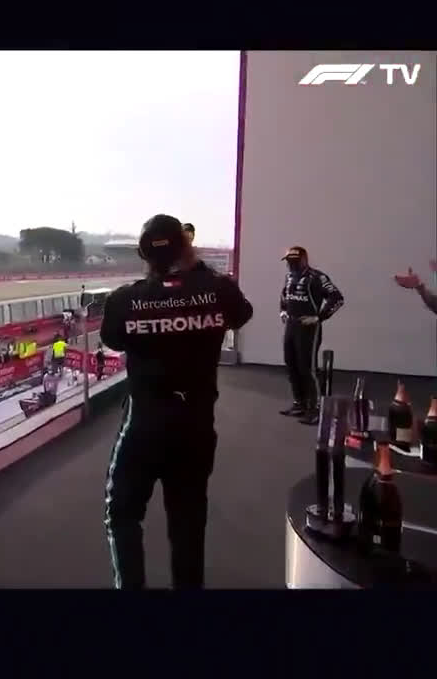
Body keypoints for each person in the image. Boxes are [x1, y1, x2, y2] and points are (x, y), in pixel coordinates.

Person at [100, 214, 253, 589]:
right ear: (187, 246)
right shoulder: (219, 290)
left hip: (144, 424)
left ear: (143, 255)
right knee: (188, 523)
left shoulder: (124, 300)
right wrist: (193, 270)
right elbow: (242, 314)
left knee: (122, 513)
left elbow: (113, 340)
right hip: (196, 423)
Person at [278, 246, 345, 425]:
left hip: (309, 329)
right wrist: (283, 311)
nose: (291, 265)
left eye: (294, 261)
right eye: (289, 261)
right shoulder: (289, 277)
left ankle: (316, 409)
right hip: (291, 326)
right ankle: (299, 403)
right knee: (291, 365)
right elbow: (284, 296)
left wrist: (318, 317)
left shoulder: (317, 277)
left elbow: (337, 298)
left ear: (304, 260)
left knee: (308, 368)